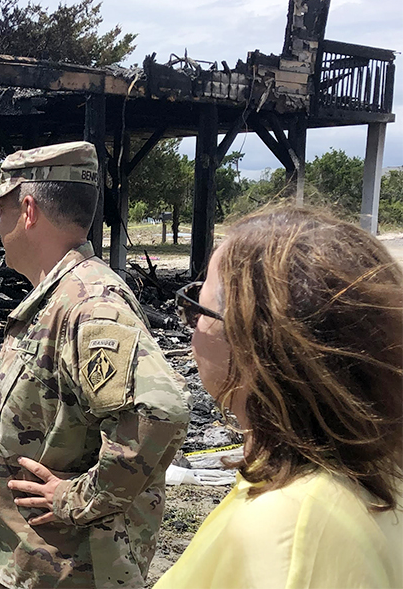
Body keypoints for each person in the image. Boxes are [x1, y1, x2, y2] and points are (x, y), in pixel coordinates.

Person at [0, 141, 190, 588]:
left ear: (28, 210)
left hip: (72, 570)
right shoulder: (61, 296)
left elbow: (161, 411)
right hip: (38, 565)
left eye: (1, 213)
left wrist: (78, 499)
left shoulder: (92, 305)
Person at [157, 206, 403, 588]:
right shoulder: (370, 467)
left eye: (196, 309)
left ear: (252, 342)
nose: (190, 330)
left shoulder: (292, 534)